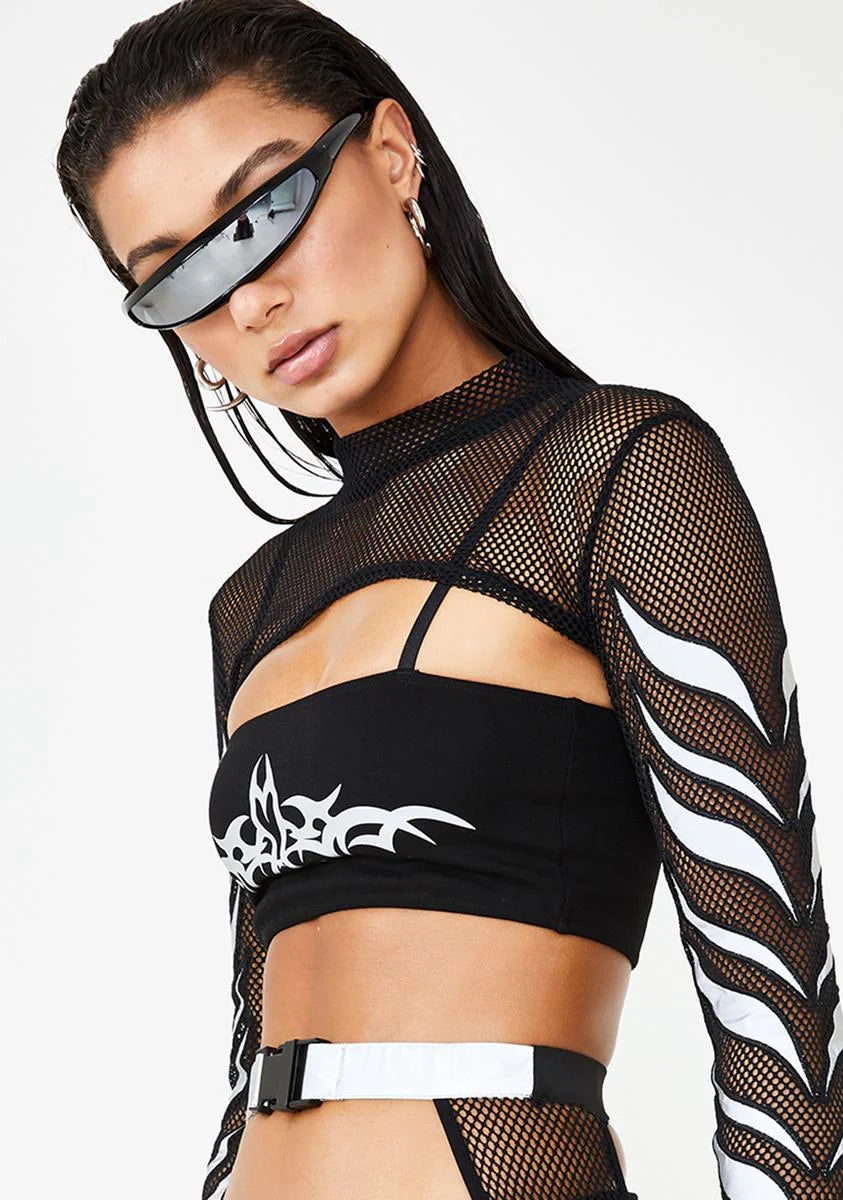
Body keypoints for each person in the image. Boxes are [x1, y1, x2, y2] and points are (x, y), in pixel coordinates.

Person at [55, 1, 843, 1197]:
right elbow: (252, 1038)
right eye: (179, 279)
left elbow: (776, 1020)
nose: (250, 300)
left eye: (263, 214)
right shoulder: (248, 609)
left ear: (391, 154)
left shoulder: (615, 473)